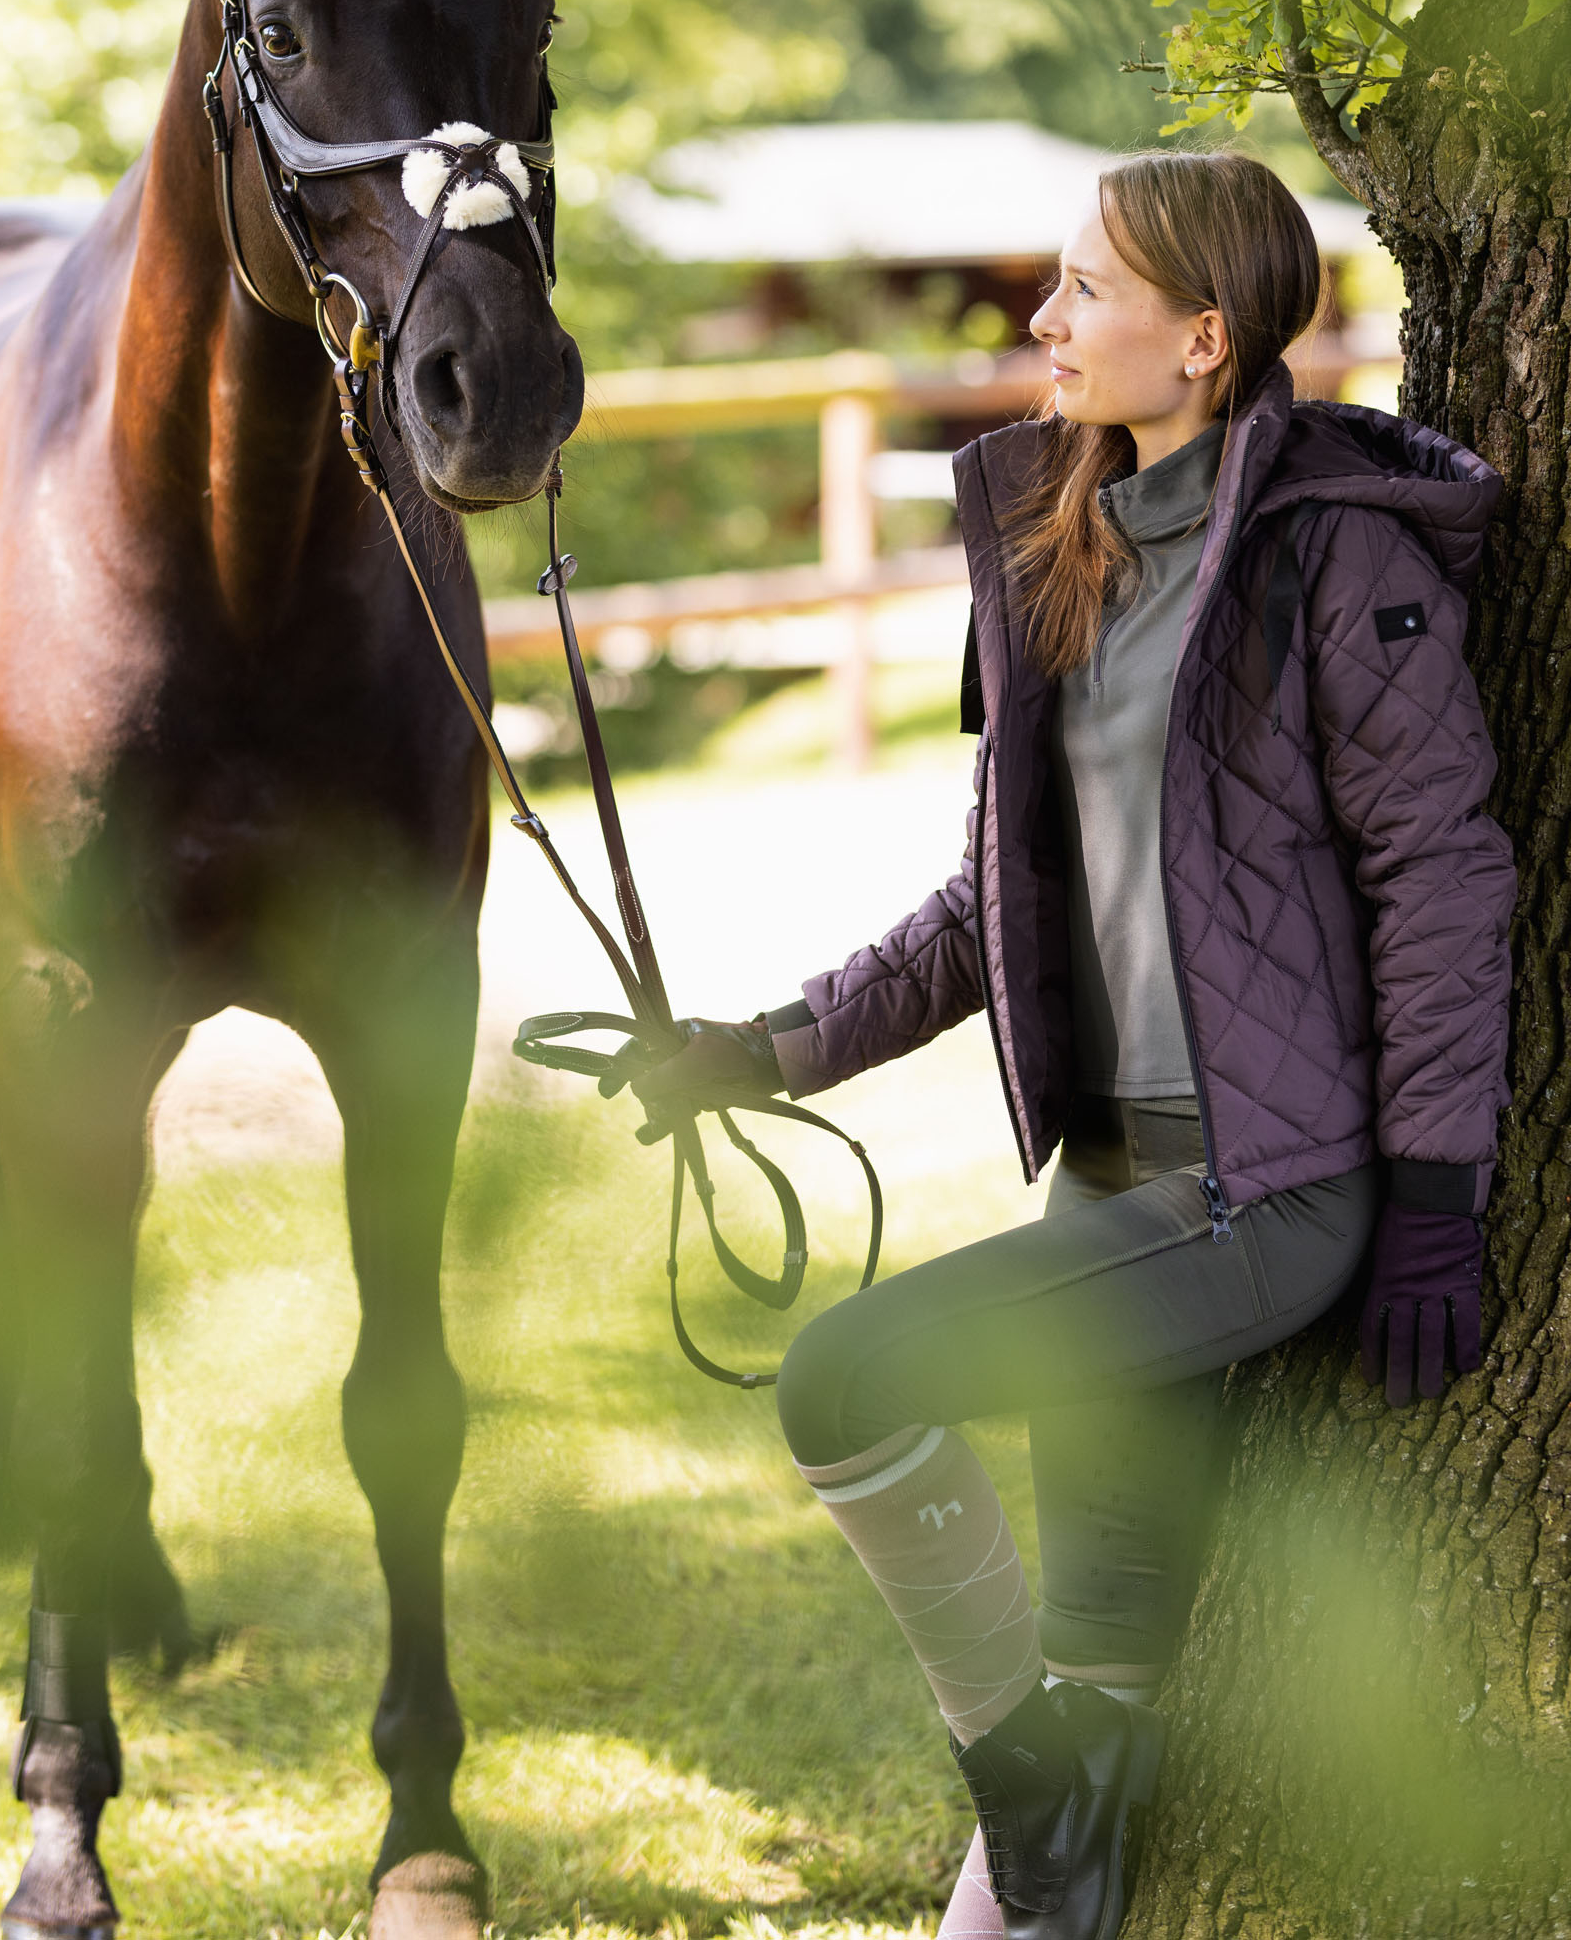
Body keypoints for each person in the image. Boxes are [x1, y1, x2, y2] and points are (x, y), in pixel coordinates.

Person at [618, 152, 1515, 1940]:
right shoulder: (1065, 550)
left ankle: (1018, 1765)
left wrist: (1432, 1195)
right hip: (1104, 1188)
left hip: (1267, 1191)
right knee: (1095, 1719)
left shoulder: (1334, 559)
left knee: (845, 1384)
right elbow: (987, 905)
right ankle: (1046, 1791)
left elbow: (1443, 879)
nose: (1042, 321)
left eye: (1085, 292)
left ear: (1203, 336)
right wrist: (766, 1049)